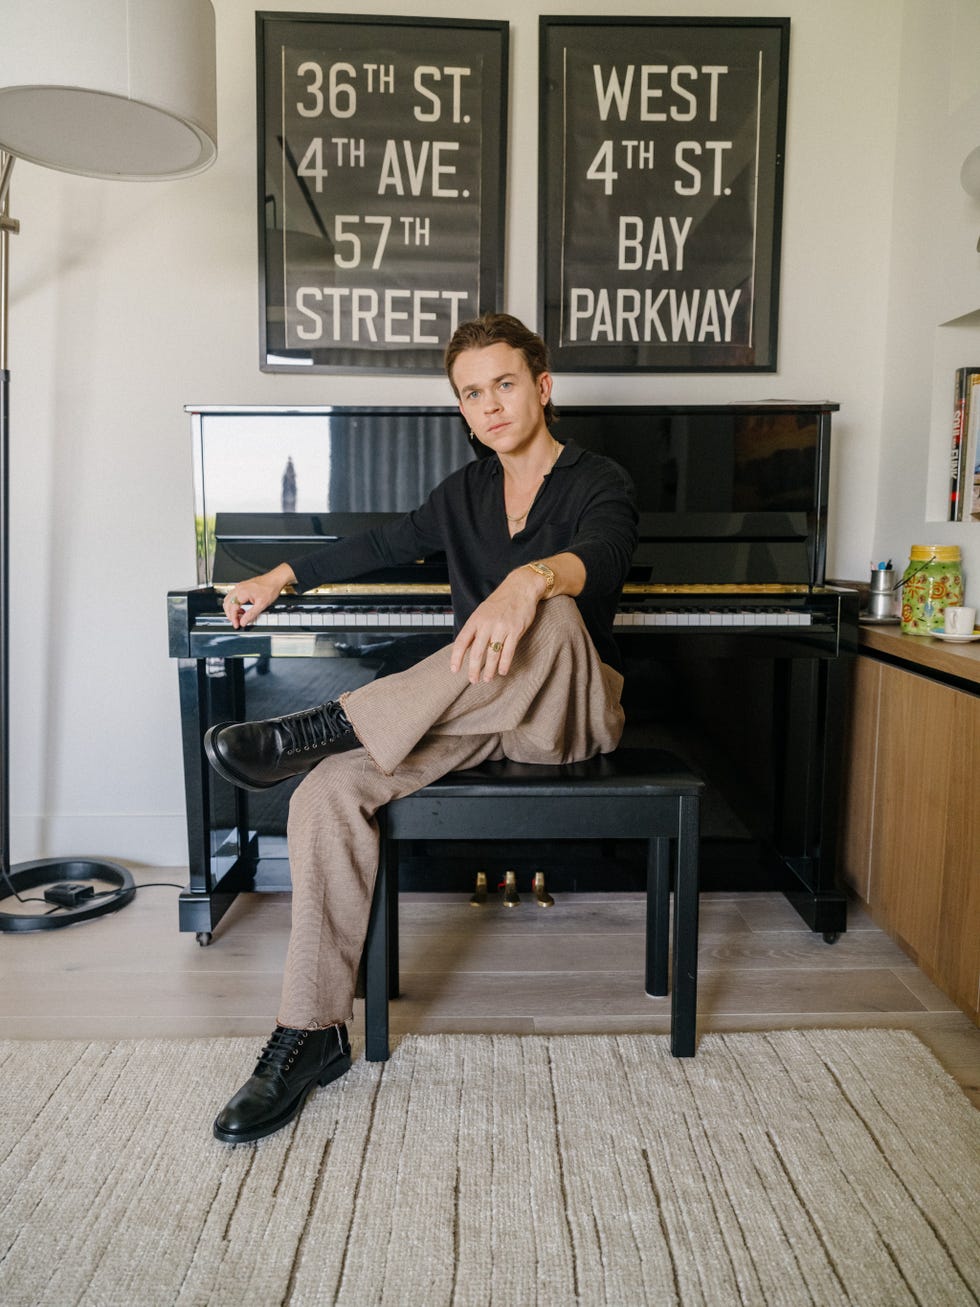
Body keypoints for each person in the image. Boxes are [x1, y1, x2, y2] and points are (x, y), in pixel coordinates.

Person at [205, 312, 638, 1144]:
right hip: (480, 709)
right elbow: (381, 541)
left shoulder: (598, 479)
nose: (490, 405)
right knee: (328, 789)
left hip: (567, 710)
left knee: (548, 617)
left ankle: (330, 722)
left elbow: (604, 557)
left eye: (504, 384)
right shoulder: (464, 493)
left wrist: (532, 580)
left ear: (542, 388)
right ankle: (310, 1033)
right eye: (472, 394)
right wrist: (283, 572)